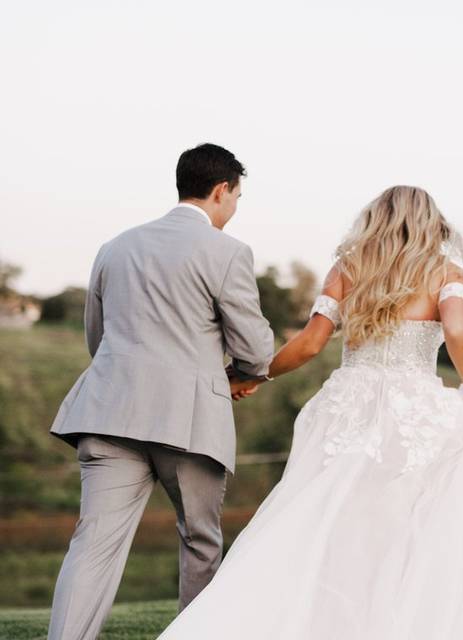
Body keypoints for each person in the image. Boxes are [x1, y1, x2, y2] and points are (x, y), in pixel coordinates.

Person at [159, 185, 463, 639]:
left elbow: (311, 343)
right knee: (404, 528)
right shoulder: (445, 273)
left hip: (347, 407)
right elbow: (456, 330)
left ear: (376, 219)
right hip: (414, 416)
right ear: (433, 223)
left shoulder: (350, 269)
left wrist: (257, 375)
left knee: (328, 520)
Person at [47, 143, 275, 640]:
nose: (234, 208)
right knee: (200, 542)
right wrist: (238, 375)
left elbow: (97, 337)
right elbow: (256, 349)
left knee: (92, 546)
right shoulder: (227, 251)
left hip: (109, 412)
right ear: (221, 190)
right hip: (189, 422)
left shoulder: (115, 246)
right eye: (236, 197)